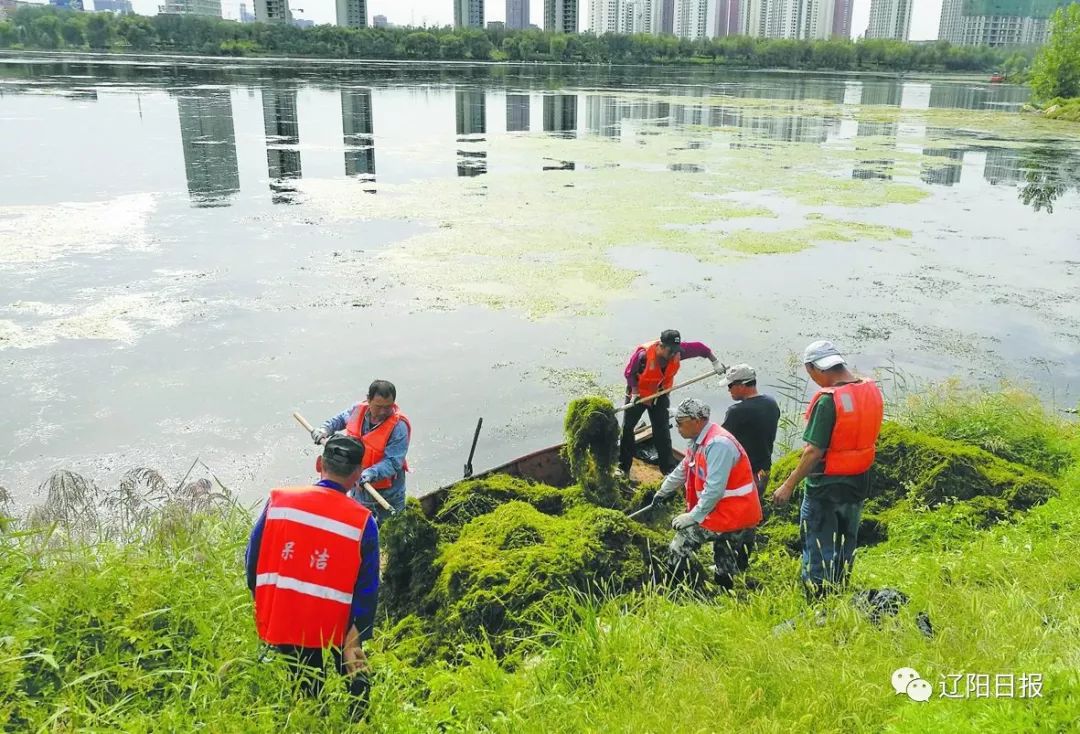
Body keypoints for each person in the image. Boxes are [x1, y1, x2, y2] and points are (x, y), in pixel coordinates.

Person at [245, 435, 379, 713]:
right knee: (355, 674)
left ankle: (312, 717)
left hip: (287, 612)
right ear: (357, 474)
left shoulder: (279, 502)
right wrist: (359, 630)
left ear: (319, 464)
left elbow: (252, 561)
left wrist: (265, 601)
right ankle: (359, 717)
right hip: (338, 619)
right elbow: (367, 587)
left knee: (306, 685)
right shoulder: (363, 521)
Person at [771, 340, 884, 600]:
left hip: (824, 487)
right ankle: (841, 591)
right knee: (847, 542)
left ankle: (818, 601)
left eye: (809, 372)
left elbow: (813, 451)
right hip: (858, 482)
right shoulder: (870, 390)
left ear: (815, 368)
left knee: (819, 545)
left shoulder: (827, 401)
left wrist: (788, 485)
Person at [654, 398, 763, 591]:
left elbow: (715, 489)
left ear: (697, 421)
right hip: (723, 510)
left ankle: (672, 589)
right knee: (724, 554)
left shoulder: (719, 445)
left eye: (680, 422)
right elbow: (683, 468)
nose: (677, 427)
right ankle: (724, 588)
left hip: (734, 513)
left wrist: (693, 516)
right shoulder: (698, 441)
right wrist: (663, 491)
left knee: (682, 541)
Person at [619, 330, 723, 477]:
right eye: (670, 351)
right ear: (661, 346)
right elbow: (629, 373)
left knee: (662, 430)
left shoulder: (677, 352)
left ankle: (667, 469)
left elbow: (701, 348)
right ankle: (623, 467)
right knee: (628, 429)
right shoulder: (643, 355)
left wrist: (715, 361)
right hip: (638, 396)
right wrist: (635, 392)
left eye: (676, 351)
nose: (674, 354)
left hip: (659, 395)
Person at [312, 379, 411, 522]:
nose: (383, 411)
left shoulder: (399, 427)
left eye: (388, 407)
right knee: (359, 528)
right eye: (378, 406)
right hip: (359, 491)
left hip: (388, 494)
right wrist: (324, 429)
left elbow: (394, 462)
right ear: (368, 399)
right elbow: (339, 420)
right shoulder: (358, 410)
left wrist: (369, 473)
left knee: (393, 531)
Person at [720, 364, 781, 498]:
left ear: (742, 385)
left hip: (745, 473)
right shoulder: (771, 403)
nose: (728, 390)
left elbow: (718, 442)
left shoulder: (736, 412)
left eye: (730, 386)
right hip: (764, 470)